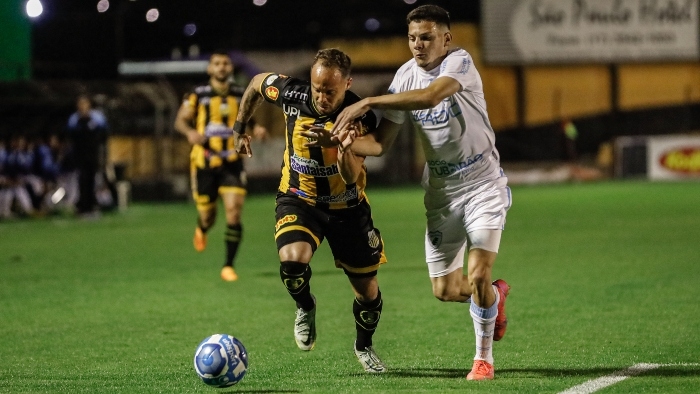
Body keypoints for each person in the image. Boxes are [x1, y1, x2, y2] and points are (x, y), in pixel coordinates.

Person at [323, 5, 512, 381]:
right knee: (445, 290)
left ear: (445, 38)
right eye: (412, 38)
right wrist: (345, 142)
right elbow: (379, 144)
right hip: (442, 194)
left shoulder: (459, 62)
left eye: (426, 37)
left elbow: (431, 97)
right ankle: (494, 295)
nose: (418, 45)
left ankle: (483, 360)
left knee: (476, 273)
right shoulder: (404, 77)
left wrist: (369, 101)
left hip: (483, 184)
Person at [232, 48, 389, 373]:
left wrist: (337, 144)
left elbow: (350, 176)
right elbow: (256, 85)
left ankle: (364, 345)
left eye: (329, 91)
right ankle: (305, 306)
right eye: (317, 88)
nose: (321, 97)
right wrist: (239, 127)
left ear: (347, 84)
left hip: (347, 209)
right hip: (299, 199)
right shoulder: (292, 93)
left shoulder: (358, 117)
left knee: (368, 295)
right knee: (292, 261)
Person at [174, 50, 268, 282]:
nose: (222, 67)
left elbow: (248, 118)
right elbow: (180, 120)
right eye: (217, 63)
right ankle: (202, 228)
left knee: (234, 212)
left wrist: (256, 128)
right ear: (210, 69)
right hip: (205, 162)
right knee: (208, 216)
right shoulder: (198, 94)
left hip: (232, 163)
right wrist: (190, 133)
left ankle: (228, 265)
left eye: (225, 63)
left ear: (230, 68)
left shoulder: (240, 93)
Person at [66, 95, 108, 217]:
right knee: (82, 181)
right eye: (80, 104)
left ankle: (92, 206)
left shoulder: (97, 118)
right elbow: (71, 137)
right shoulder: (74, 119)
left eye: (85, 104)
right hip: (80, 156)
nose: (83, 106)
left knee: (92, 181)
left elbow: (104, 135)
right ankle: (83, 207)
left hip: (93, 155)